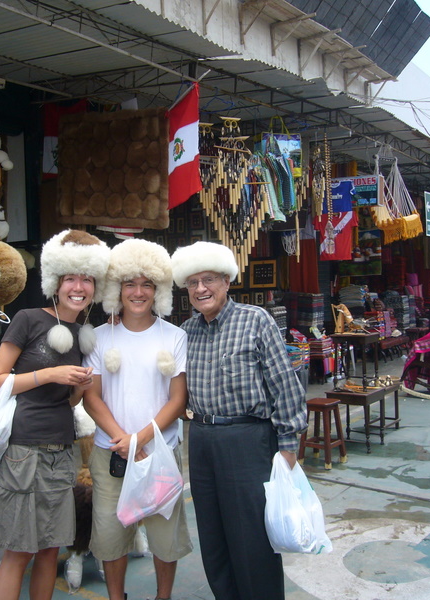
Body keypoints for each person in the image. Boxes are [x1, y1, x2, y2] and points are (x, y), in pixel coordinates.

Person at [170, 241, 307, 600]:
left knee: (252, 537)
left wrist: (288, 447)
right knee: (213, 535)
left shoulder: (255, 320)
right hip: (202, 438)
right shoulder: (187, 331)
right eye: (193, 282)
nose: (201, 289)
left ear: (227, 281)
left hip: (248, 439)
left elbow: (284, 385)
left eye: (209, 280)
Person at [0, 229, 110, 600]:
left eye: (87, 279)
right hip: (23, 450)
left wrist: (78, 389)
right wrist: (49, 374)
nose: (79, 287)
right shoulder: (28, 319)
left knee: (51, 549)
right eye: (70, 278)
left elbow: (67, 403)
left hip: (62, 451)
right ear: (56, 283)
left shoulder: (83, 335)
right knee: (19, 551)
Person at [82, 239, 192, 600]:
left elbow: (178, 400)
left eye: (147, 284)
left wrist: (140, 439)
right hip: (111, 453)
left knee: (164, 535)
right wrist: (124, 440)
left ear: (159, 290)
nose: (138, 292)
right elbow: (91, 396)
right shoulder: (98, 338)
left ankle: (163, 597)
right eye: (130, 283)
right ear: (117, 288)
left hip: (160, 452)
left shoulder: (175, 337)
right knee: (110, 535)